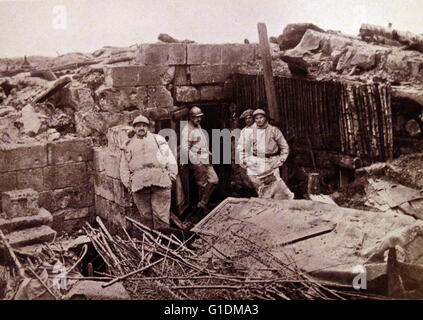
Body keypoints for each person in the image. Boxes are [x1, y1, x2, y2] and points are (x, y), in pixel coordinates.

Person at [120, 115, 178, 229]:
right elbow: (124, 166)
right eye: (138, 126)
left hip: (160, 182)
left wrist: (171, 175)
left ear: (148, 127)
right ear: (134, 128)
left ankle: (164, 242)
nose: (141, 128)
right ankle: (152, 244)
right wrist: (128, 183)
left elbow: (170, 158)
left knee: (161, 216)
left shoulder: (158, 139)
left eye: (144, 125)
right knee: (146, 217)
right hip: (139, 185)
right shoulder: (128, 144)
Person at [240, 108, 294, 199]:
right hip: (257, 160)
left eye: (261, 117)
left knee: (275, 185)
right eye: (256, 118)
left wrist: (282, 158)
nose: (259, 120)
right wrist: (245, 159)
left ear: (265, 118)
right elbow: (245, 147)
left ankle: (279, 203)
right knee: (258, 184)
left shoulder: (274, 130)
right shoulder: (250, 131)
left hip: (271, 160)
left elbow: (284, 146)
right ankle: (264, 202)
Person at [180, 106, 219, 218]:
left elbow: (201, 142)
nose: (199, 119)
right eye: (196, 118)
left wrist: (208, 152)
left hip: (205, 158)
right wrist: (195, 160)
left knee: (214, 180)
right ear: (191, 118)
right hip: (197, 160)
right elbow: (185, 148)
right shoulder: (187, 130)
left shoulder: (198, 126)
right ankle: (202, 211)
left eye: (200, 117)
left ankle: (201, 204)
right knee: (202, 184)